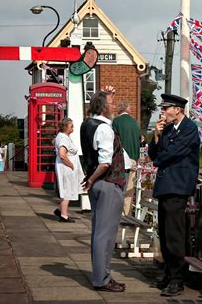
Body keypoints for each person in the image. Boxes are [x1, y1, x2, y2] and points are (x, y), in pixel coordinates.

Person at [148, 94, 200, 297]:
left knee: (175, 235)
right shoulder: (167, 129)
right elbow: (155, 153)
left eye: (166, 108)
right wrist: (156, 136)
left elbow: (172, 154)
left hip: (178, 187)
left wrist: (159, 158)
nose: (163, 112)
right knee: (165, 232)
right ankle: (169, 273)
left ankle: (178, 279)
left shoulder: (189, 129)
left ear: (177, 109)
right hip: (165, 187)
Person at [80, 87, 126, 293]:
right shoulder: (105, 129)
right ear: (103, 106)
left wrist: (90, 179)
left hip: (97, 184)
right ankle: (102, 279)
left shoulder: (86, 124)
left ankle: (102, 275)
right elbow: (105, 163)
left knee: (99, 232)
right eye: (111, 102)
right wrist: (92, 179)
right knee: (105, 235)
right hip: (107, 183)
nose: (114, 106)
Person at [112, 102, 141, 216]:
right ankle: (126, 213)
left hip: (119, 159)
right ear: (128, 110)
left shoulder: (116, 121)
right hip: (133, 157)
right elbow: (138, 141)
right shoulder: (135, 123)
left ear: (119, 110)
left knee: (117, 186)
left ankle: (116, 213)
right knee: (130, 188)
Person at [53, 118, 84, 223]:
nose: (73, 128)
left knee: (68, 189)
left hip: (67, 168)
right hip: (66, 168)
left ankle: (60, 210)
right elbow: (62, 154)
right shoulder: (63, 138)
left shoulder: (64, 137)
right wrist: (71, 165)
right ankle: (64, 215)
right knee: (67, 191)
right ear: (65, 127)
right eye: (71, 126)